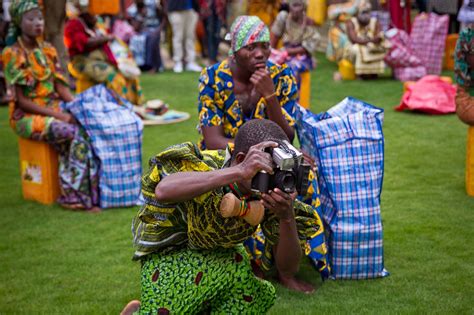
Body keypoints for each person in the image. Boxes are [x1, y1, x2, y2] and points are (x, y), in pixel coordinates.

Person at [123, 119, 325, 314]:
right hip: (170, 252)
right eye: (269, 169)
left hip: (222, 253)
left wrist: (286, 217)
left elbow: (288, 270)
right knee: (175, 300)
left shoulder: (270, 191)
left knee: (251, 297)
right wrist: (239, 172)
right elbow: (164, 190)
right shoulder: (209, 164)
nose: (276, 179)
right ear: (240, 158)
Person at [2, 0, 100, 211]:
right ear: (19, 22)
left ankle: (88, 193)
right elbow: (21, 101)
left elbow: (61, 89)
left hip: (53, 109)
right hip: (26, 116)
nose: (37, 23)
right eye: (31, 19)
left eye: (40, 18)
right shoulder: (12, 53)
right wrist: (60, 116)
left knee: (89, 127)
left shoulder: (48, 50)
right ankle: (73, 197)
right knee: (72, 133)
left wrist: (79, 108)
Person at [198, 15, 297, 150]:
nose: (260, 54)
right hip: (223, 160)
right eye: (251, 47)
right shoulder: (213, 78)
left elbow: (287, 138)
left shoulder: (282, 77)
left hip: (270, 158)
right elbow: (213, 142)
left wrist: (270, 96)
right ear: (234, 50)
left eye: (265, 46)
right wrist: (262, 149)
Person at [64, 0, 144, 105]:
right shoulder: (74, 24)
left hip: (102, 60)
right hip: (83, 62)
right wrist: (104, 39)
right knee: (114, 77)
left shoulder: (97, 23)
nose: (96, 16)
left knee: (129, 76)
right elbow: (81, 44)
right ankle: (121, 107)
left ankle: (133, 104)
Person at [270, 0, 320, 87]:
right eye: (294, 5)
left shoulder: (308, 22)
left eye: (299, 6)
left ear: (303, 8)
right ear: (289, 7)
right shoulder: (284, 17)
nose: (296, 9)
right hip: (284, 53)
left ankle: (292, 97)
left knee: (292, 67)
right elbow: (275, 36)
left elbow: (307, 47)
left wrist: (287, 52)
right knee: (270, 65)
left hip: (302, 57)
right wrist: (271, 53)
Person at [343, 1, 388, 78]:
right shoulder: (351, 22)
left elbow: (378, 36)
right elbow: (354, 40)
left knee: (380, 47)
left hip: (371, 45)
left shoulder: (374, 21)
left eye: (366, 13)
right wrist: (370, 41)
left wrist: (377, 39)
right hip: (355, 45)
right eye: (362, 13)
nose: (365, 16)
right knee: (357, 49)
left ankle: (373, 73)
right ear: (357, 13)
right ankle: (361, 73)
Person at [127, 0, 165, 73]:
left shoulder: (153, 4)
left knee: (152, 37)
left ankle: (153, 66)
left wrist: (159, 30)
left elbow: (164, 17)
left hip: (155, 28)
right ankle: (142, 65)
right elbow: (135, 28)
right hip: (141, 31)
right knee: (143, 38)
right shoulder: (132, 9)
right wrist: (141, 15)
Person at [165, 0, 202, 73]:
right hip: (176, 10)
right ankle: (178, 62)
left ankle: (190, 62)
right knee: (178, 37)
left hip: (191, 9)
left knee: (190, 37)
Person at [198, 0, 227, 65]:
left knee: (217, 36)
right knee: (210, 36)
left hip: (218, 12)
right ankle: (211, 58)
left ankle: (214, 57)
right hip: (208, 12)